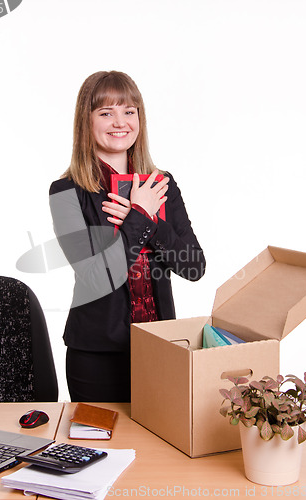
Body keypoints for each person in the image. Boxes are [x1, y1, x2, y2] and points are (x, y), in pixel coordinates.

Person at [49, 70, 205, 403]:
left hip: (161, 349)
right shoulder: (66, 192)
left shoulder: (161, 185)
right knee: (100, 451)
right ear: (86, 122)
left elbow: (194, 267)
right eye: (106, 112)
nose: (120, 122)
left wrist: (150, 219)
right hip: (97, 357)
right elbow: (96, 277)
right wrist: (138, 216)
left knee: (162, 449)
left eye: (129, 111)